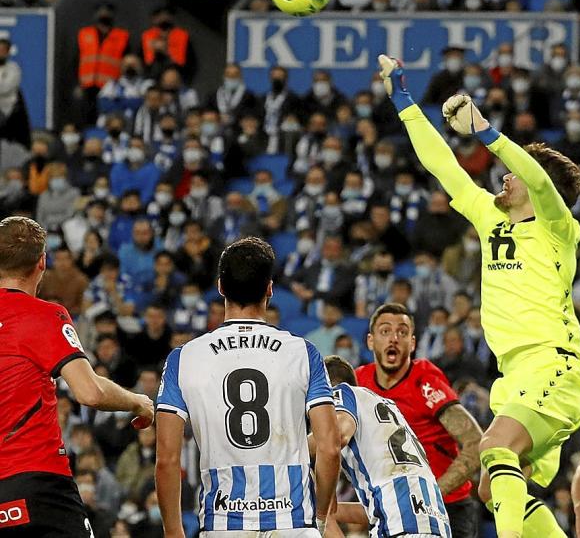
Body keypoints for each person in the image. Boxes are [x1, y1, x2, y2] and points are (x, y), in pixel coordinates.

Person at [378, 54, 580, 538]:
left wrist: (486, 131)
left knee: (495, 449)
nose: (504, 175)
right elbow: (442, 166)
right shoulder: (491, 218)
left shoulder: (558, 229)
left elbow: (537, 178)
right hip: (519, 374)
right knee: (492, 491)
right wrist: (405, 102)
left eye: (511, 171)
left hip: (553, 368)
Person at [155, 236, 340, 537]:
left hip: (222, 523)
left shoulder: (184, 358)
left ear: (220, 288)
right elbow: (330, 447)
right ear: (269, 289)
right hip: (292, 523)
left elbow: (167, 458)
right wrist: (318, 517)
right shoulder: (303, 353)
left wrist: (173, 532)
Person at [0, 216, 153, 537]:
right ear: (42, 262)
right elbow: (90, 392)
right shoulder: (43, 315)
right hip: (36, 480)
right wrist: (138, 402)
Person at [355, 303, 483, 538]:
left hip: (447, 509)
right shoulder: (359, 383)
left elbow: (475, 442)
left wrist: (432, 493)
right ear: (371, 341)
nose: (393, 338)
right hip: (392, 511)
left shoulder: (425, 381)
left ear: (412, 344)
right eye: (385, 331)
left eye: (402, 332)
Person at [322, 354, 452, 537]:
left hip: (400, 526)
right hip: (434, 519)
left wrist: (296, 447)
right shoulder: (389, 409)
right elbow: (382, 507)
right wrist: (327, 511)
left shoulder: (341, 392)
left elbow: (337, 435)